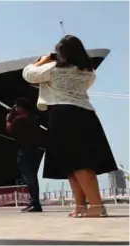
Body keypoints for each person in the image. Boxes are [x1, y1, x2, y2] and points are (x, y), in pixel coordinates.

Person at [22, 34, 118, 218]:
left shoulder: (53, 68)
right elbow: (87, 85)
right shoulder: (88, 71)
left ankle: (96, 206)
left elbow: (28, 75)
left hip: (63, 114)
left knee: (79, 164)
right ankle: (81, 206)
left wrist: (40, 61)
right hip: (85, 113)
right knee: (73, 164)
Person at [6, 98, 43, 212]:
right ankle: (35, 202)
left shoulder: (18, 119)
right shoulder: (35, 118)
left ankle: (34, 203)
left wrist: (8, 119)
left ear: (21, 107)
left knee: (28, 177)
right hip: (35, 150)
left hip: (24, 150)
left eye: (17, 107)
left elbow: (9, 130)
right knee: (33, 177)